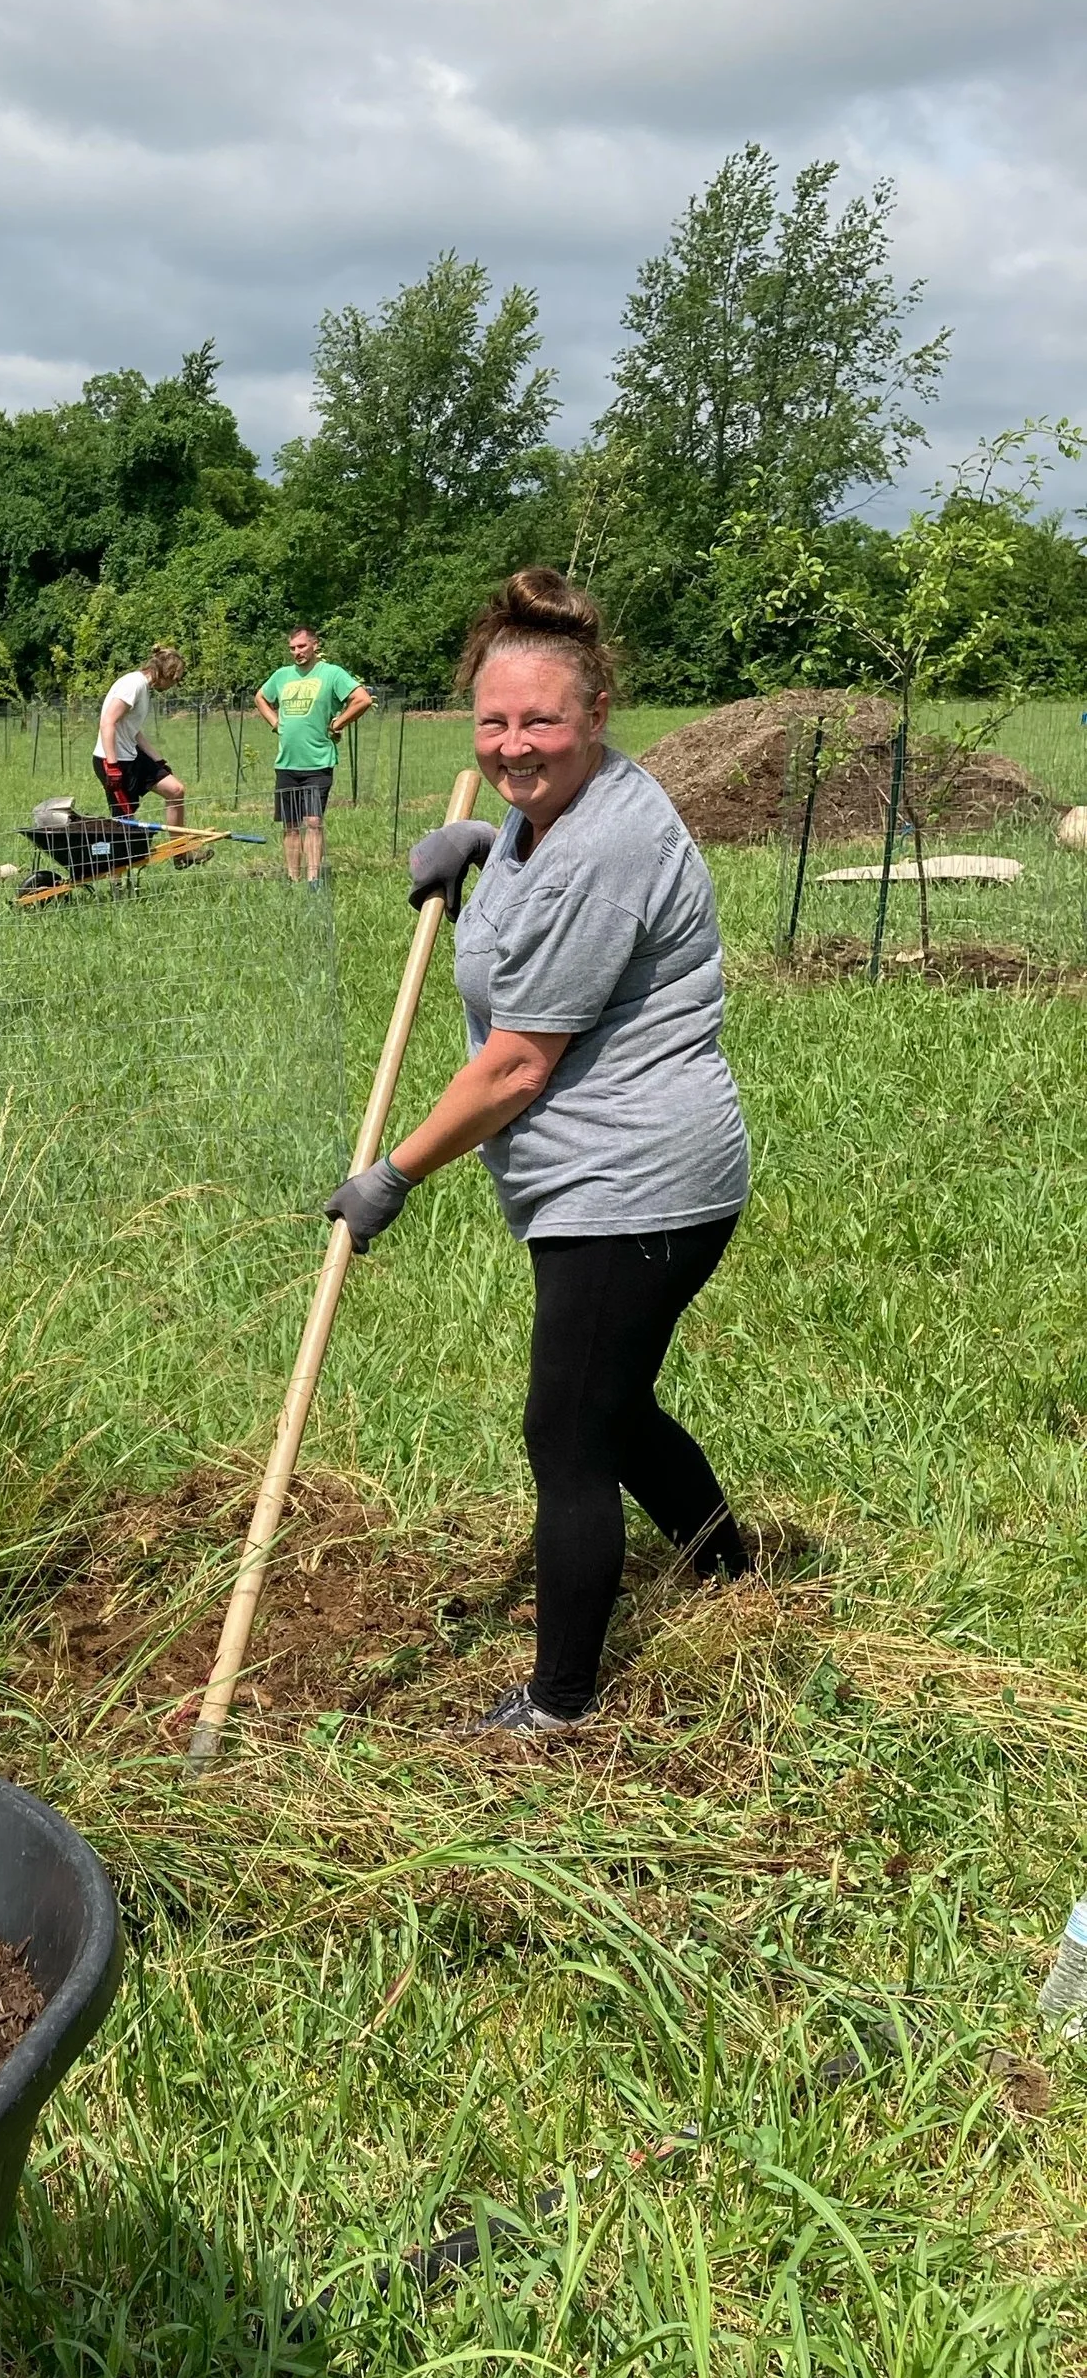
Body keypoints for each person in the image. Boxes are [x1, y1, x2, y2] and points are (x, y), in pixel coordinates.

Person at [320, 568, 750, 1733]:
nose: (515, 745)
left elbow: (515, 1065)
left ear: (598, 711)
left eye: (541, 722)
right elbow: (530, 868)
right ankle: (731, 1574)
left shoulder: (607, 847)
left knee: (565, 1430)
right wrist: (484, 841)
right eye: (494, 723)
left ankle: (559, 1704)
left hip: (637, 1187)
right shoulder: (552, 813)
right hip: (607, 1176)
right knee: (612, 1406)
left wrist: (393, 1173)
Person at [256, 629, 371, 883]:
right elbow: (261, 697)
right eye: (292, 648)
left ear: (314, 645)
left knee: (313, 821)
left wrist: (338, 722)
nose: (297, 652)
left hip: (318, 761)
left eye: (302, 646)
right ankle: (292, 879)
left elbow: (361, 699)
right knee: (290, 825)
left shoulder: (332, 674)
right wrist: (275, 723)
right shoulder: (282, 676)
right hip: (287, 763)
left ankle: (313, 880)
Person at [94, 644, 187, 831]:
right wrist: (112, 766)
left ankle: (180, 854)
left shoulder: (143, 687)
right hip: (113, 760)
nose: (174, 685)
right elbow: (107, 722)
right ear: (166, 673)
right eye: (175, 680)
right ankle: (122, 859)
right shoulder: (133, 684)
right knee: (125, 823)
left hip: (132, 756)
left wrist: (158, 760)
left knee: (176, 790)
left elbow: (133, 730)